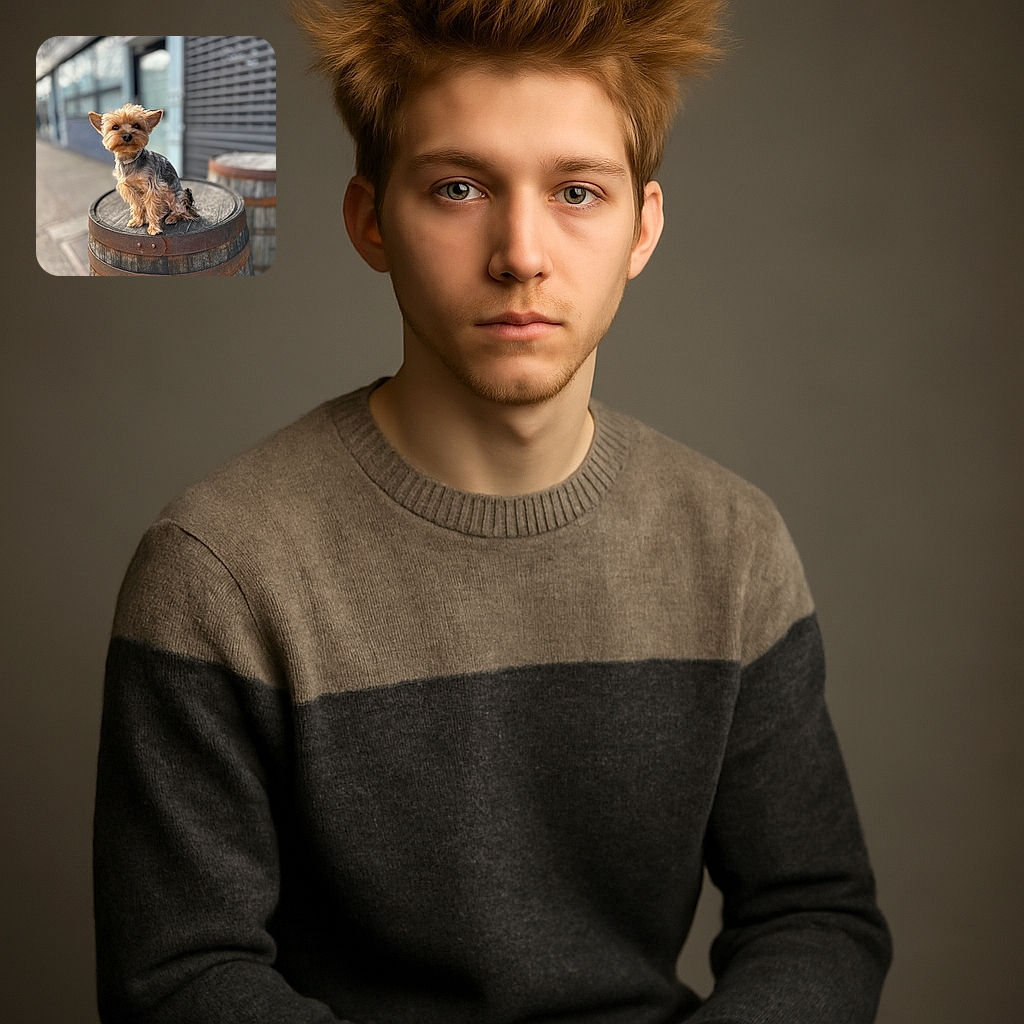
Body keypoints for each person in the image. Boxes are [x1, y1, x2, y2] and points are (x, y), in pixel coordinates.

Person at [93, 2, 892, 1021]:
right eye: (458, 189)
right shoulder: (218, 567)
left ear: (643, 227)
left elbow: (815, 916)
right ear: (371, 220)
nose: (521, 253)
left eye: (576, 192)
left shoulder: (730, 544)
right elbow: (177, 975)